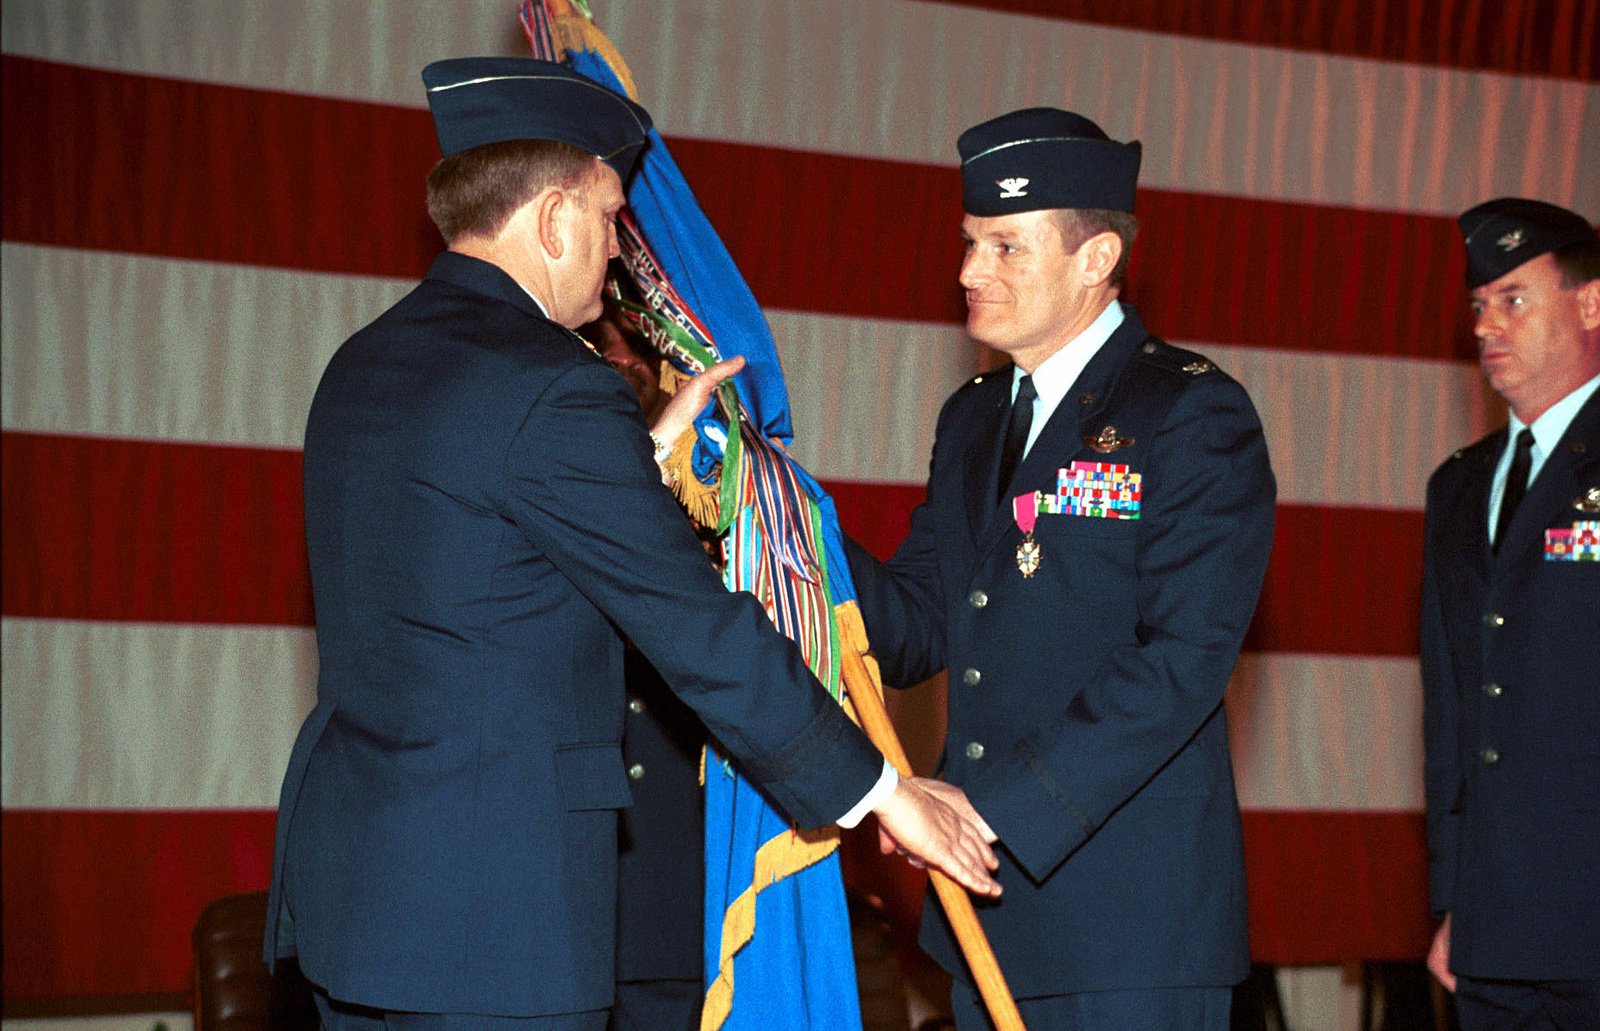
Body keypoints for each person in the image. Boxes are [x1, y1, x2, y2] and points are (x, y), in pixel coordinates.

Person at [264, 57, 1000, 1031]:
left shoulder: (365, 363)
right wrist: (877, 788)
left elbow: (476, 566)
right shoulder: (554, 386)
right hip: (492, 920)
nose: (616, 254)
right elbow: (694, 626)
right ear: (556, 215)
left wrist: (636, 469)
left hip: (359, 899)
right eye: (612, 218)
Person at [845, 107, 1276, 1030]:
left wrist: (984, 809)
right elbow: (923, 619)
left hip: (1128, 929)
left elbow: (1182, 661)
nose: (969, 270)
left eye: (1005, 246)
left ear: (1096, 260)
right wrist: (790, 524)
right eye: (969, 243)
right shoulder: (972, 418)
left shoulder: (1189, 415)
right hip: (987, 916)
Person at [1421, 197, 1600, 1030]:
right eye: (1478, 304)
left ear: (1590, 303)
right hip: (1497, 923)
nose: (1487, 323)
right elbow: (1454, 711)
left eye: (1514, 299)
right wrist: (1457, 898)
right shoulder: (1458, 485)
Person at [584, 294, 706, 1031]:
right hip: (558, 895)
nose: (619, 357)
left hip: (666, 883)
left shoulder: (705, 489)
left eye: (630, 345)